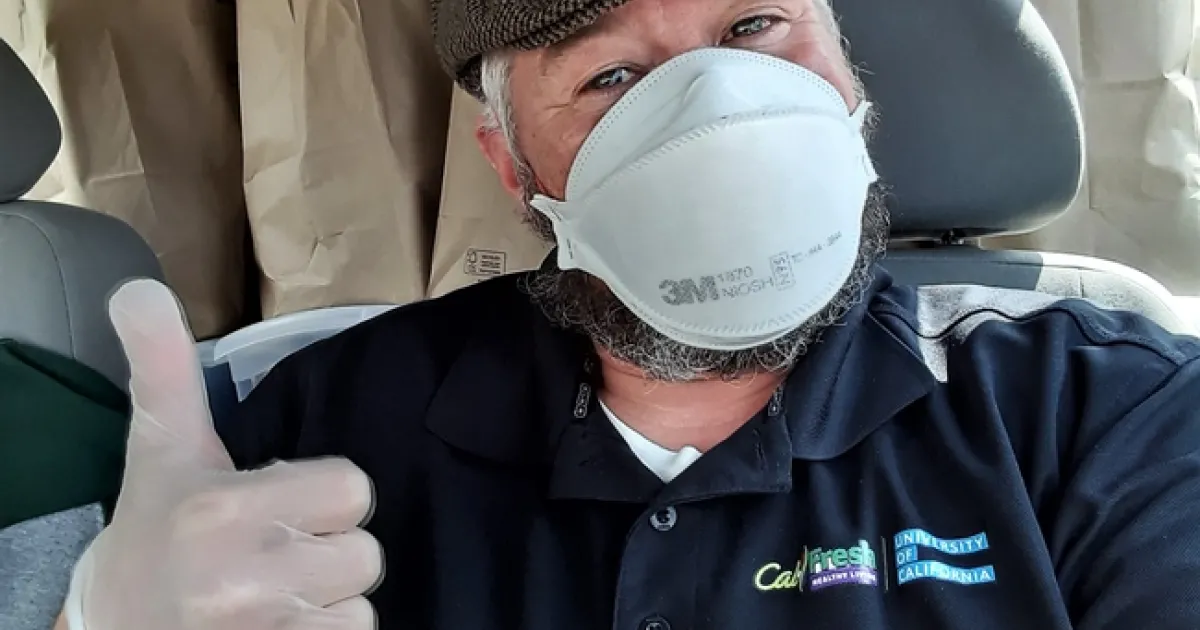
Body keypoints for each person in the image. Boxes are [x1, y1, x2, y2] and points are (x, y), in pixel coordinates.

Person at [60, 0, 1200, 628]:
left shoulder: (1106, 407)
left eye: (755, 27)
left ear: (848, 78)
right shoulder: (317, 419)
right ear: (512, 166)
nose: (717, 110)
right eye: (608, 76)